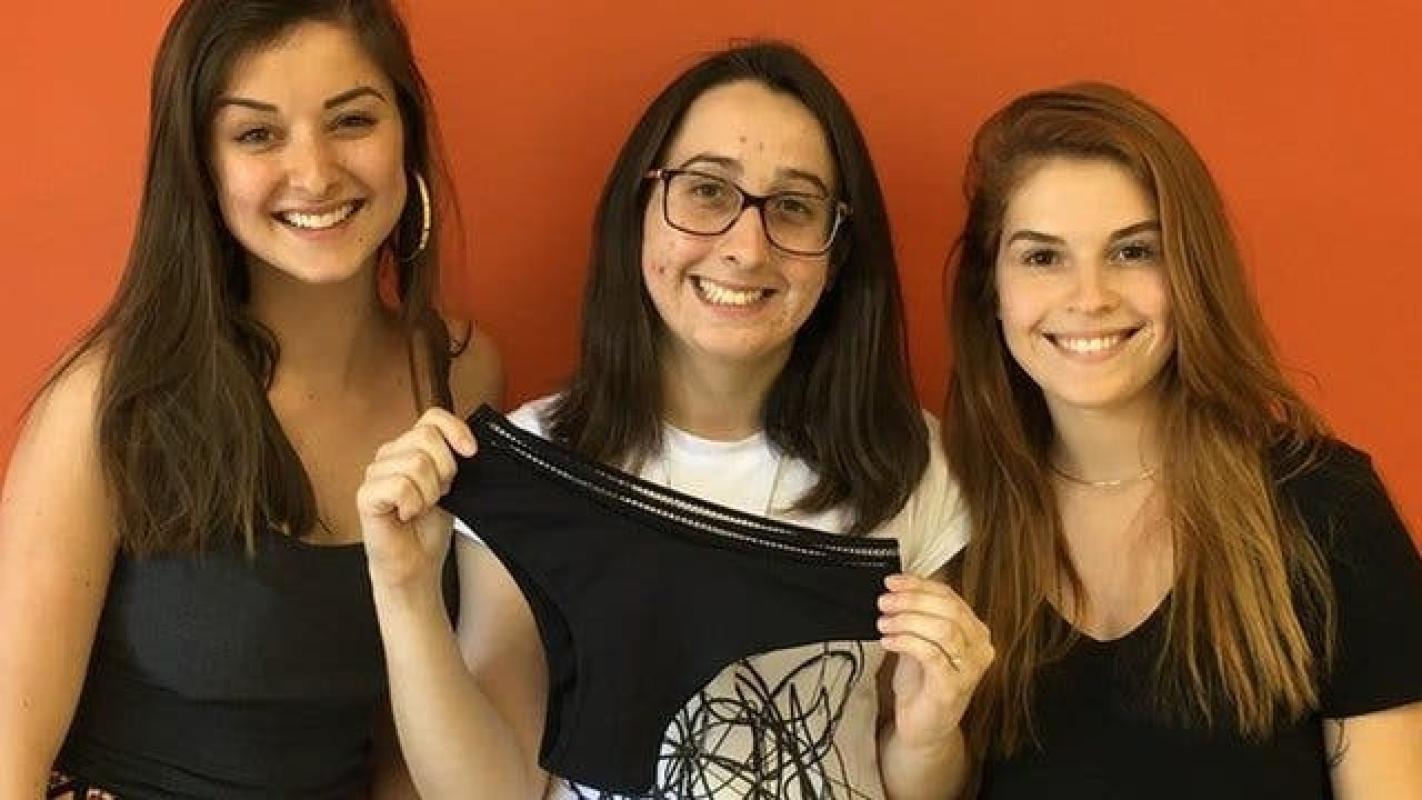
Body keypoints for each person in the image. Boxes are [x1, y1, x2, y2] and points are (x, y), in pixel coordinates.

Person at [359, 42, 988, 799]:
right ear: (640, 210)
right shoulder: (538, 463)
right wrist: (404, 591)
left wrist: (929, 735)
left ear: (837, 253)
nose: (746, 248)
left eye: (793, 206)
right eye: (707, 191)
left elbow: (914, 778)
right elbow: (490, 794)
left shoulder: (908, 462)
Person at [0, 0, 501, 796]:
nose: (316, 172)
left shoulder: (461, 377)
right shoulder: (109, 399)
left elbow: (407, 746)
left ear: (405, 133)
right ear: (201, 165)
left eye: (352, 121)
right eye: (257, 134)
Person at [942, 82, 1422, 798]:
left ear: (1191, 271)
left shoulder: (1325, 507)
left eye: (1133, 251)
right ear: (993, 291)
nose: (1089, 297)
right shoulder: (946, 519)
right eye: (1043, 258)